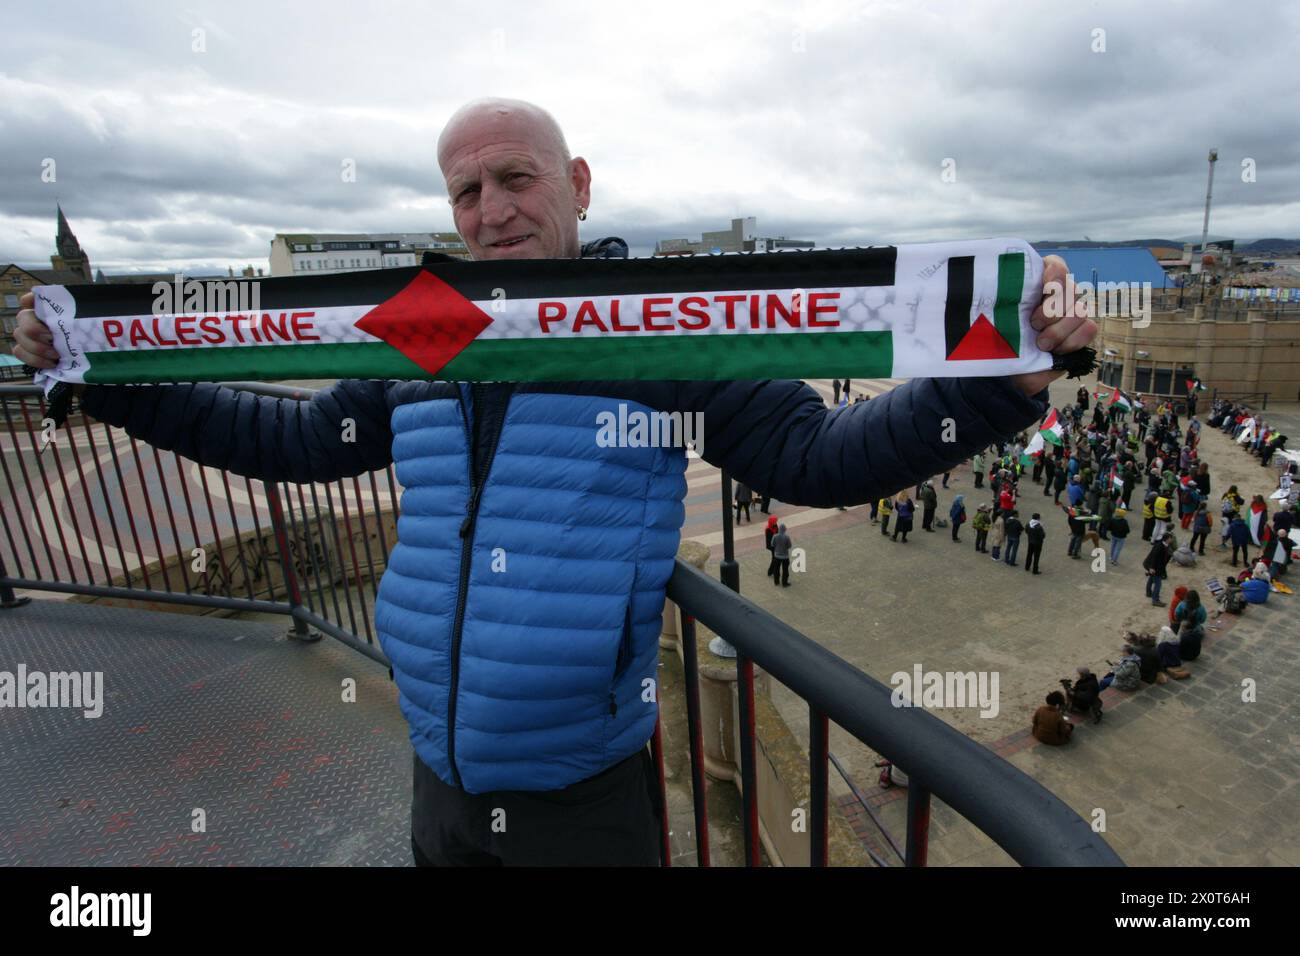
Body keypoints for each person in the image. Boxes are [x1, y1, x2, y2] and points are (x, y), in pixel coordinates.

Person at [12, 98, 1095, 868]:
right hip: (437, 774)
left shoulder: (660, 333)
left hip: (581, 796)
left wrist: (999, 384)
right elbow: (296, 441)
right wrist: (110, 384)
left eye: (515, 178)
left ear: (577, 184)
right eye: (467, 191)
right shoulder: (422, 334)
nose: (491, 209)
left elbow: (815, 454)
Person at [1173, 590, 1206, 661]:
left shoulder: (1182, 604)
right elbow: (1203, 620)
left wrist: (1181, 620)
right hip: (1196, 627)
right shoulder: (1201, 608)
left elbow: (1176, 615)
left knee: (1179, 639)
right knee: (1201, 630)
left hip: (1183, 624)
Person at [1143, 533, 1173, 606]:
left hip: (1156, 566)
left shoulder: (1164, 545)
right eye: (1170, 538)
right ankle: (1155, 600)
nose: (1171, 539)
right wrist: (1151, 568)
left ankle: (1149, 593)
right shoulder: (1159, 546)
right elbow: (1154, 556)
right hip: (1154, 567)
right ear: (1167, 539)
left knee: (1151, 579)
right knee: (1158, 584)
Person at [771, 523, 793, 587]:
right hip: (785, 557)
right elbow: (789, 546)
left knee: (776, 569)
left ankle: (776, 581)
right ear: (784, 529)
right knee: (785, 570)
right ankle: (784, 583)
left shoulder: (775, 536)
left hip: (777, 556)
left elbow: (772, 544)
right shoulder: (787, 537)